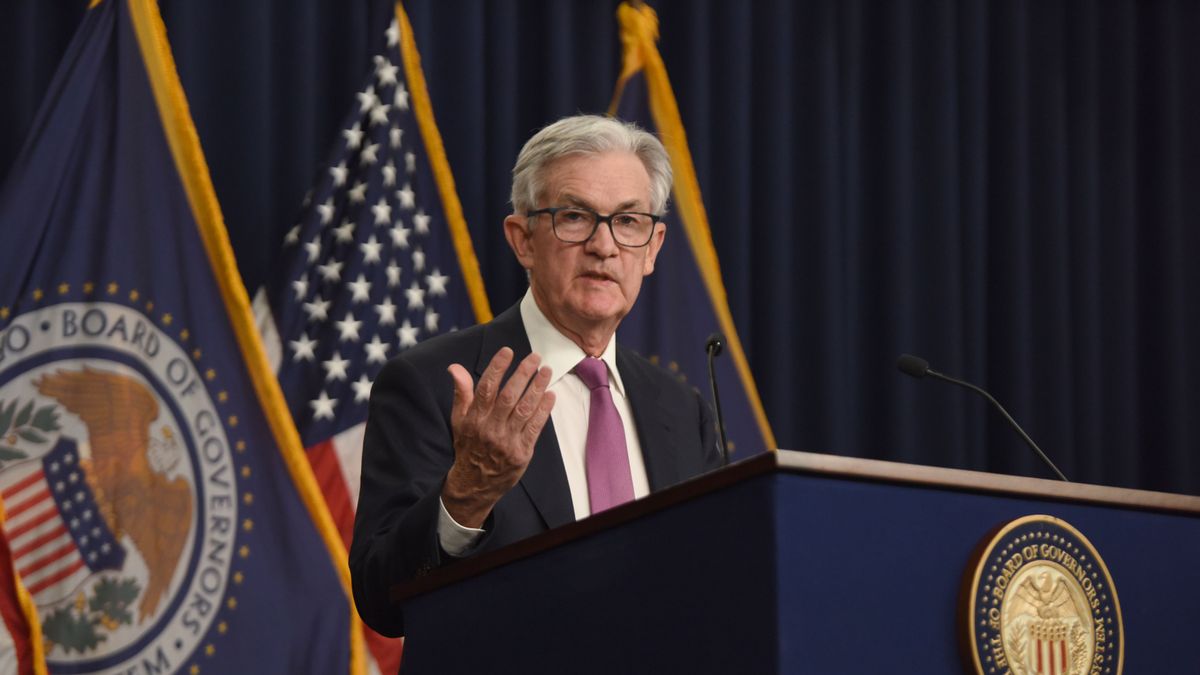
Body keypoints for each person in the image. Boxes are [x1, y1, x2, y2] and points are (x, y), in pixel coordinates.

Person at [349, 114, 722, 637]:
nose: (604, 245)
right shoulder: (432, 383)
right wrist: (467, 495)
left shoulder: (684, 413)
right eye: (575, 217)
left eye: (629, 222)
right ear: (522, 239)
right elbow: (379, 598)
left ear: (654, 247)